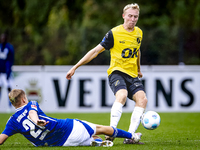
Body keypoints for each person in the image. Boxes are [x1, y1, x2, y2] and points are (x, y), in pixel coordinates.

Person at [66, 3, 147, 144]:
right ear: (123, 16)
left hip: (132, 74)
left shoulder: (139, 32)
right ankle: (110, 133)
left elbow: (137, 50)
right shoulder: (114, 33)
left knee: (143, 100)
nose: (133, 19)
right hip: (116, 72)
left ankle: (130, 136)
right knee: (122, 95)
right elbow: (95, 51)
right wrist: (75, 66)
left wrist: (139, 69)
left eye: (136, 16)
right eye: (130, 16)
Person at [0, 89, 142, 147]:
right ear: (24, 99)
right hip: (68, 128)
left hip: (60, 143)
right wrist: (37, 121)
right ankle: (132, 136)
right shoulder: (31, 104)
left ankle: (97, 142)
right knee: (101, 128)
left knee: (91, 138)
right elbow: (32, 114)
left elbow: (2, 139)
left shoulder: (12, 121)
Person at [0, 33, 14, 107]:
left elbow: (11, 60)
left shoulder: (9, 48)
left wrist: (8, 71)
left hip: (7, 73)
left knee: (9, 88)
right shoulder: (0, 47)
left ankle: (10, 106)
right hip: (0, 72)